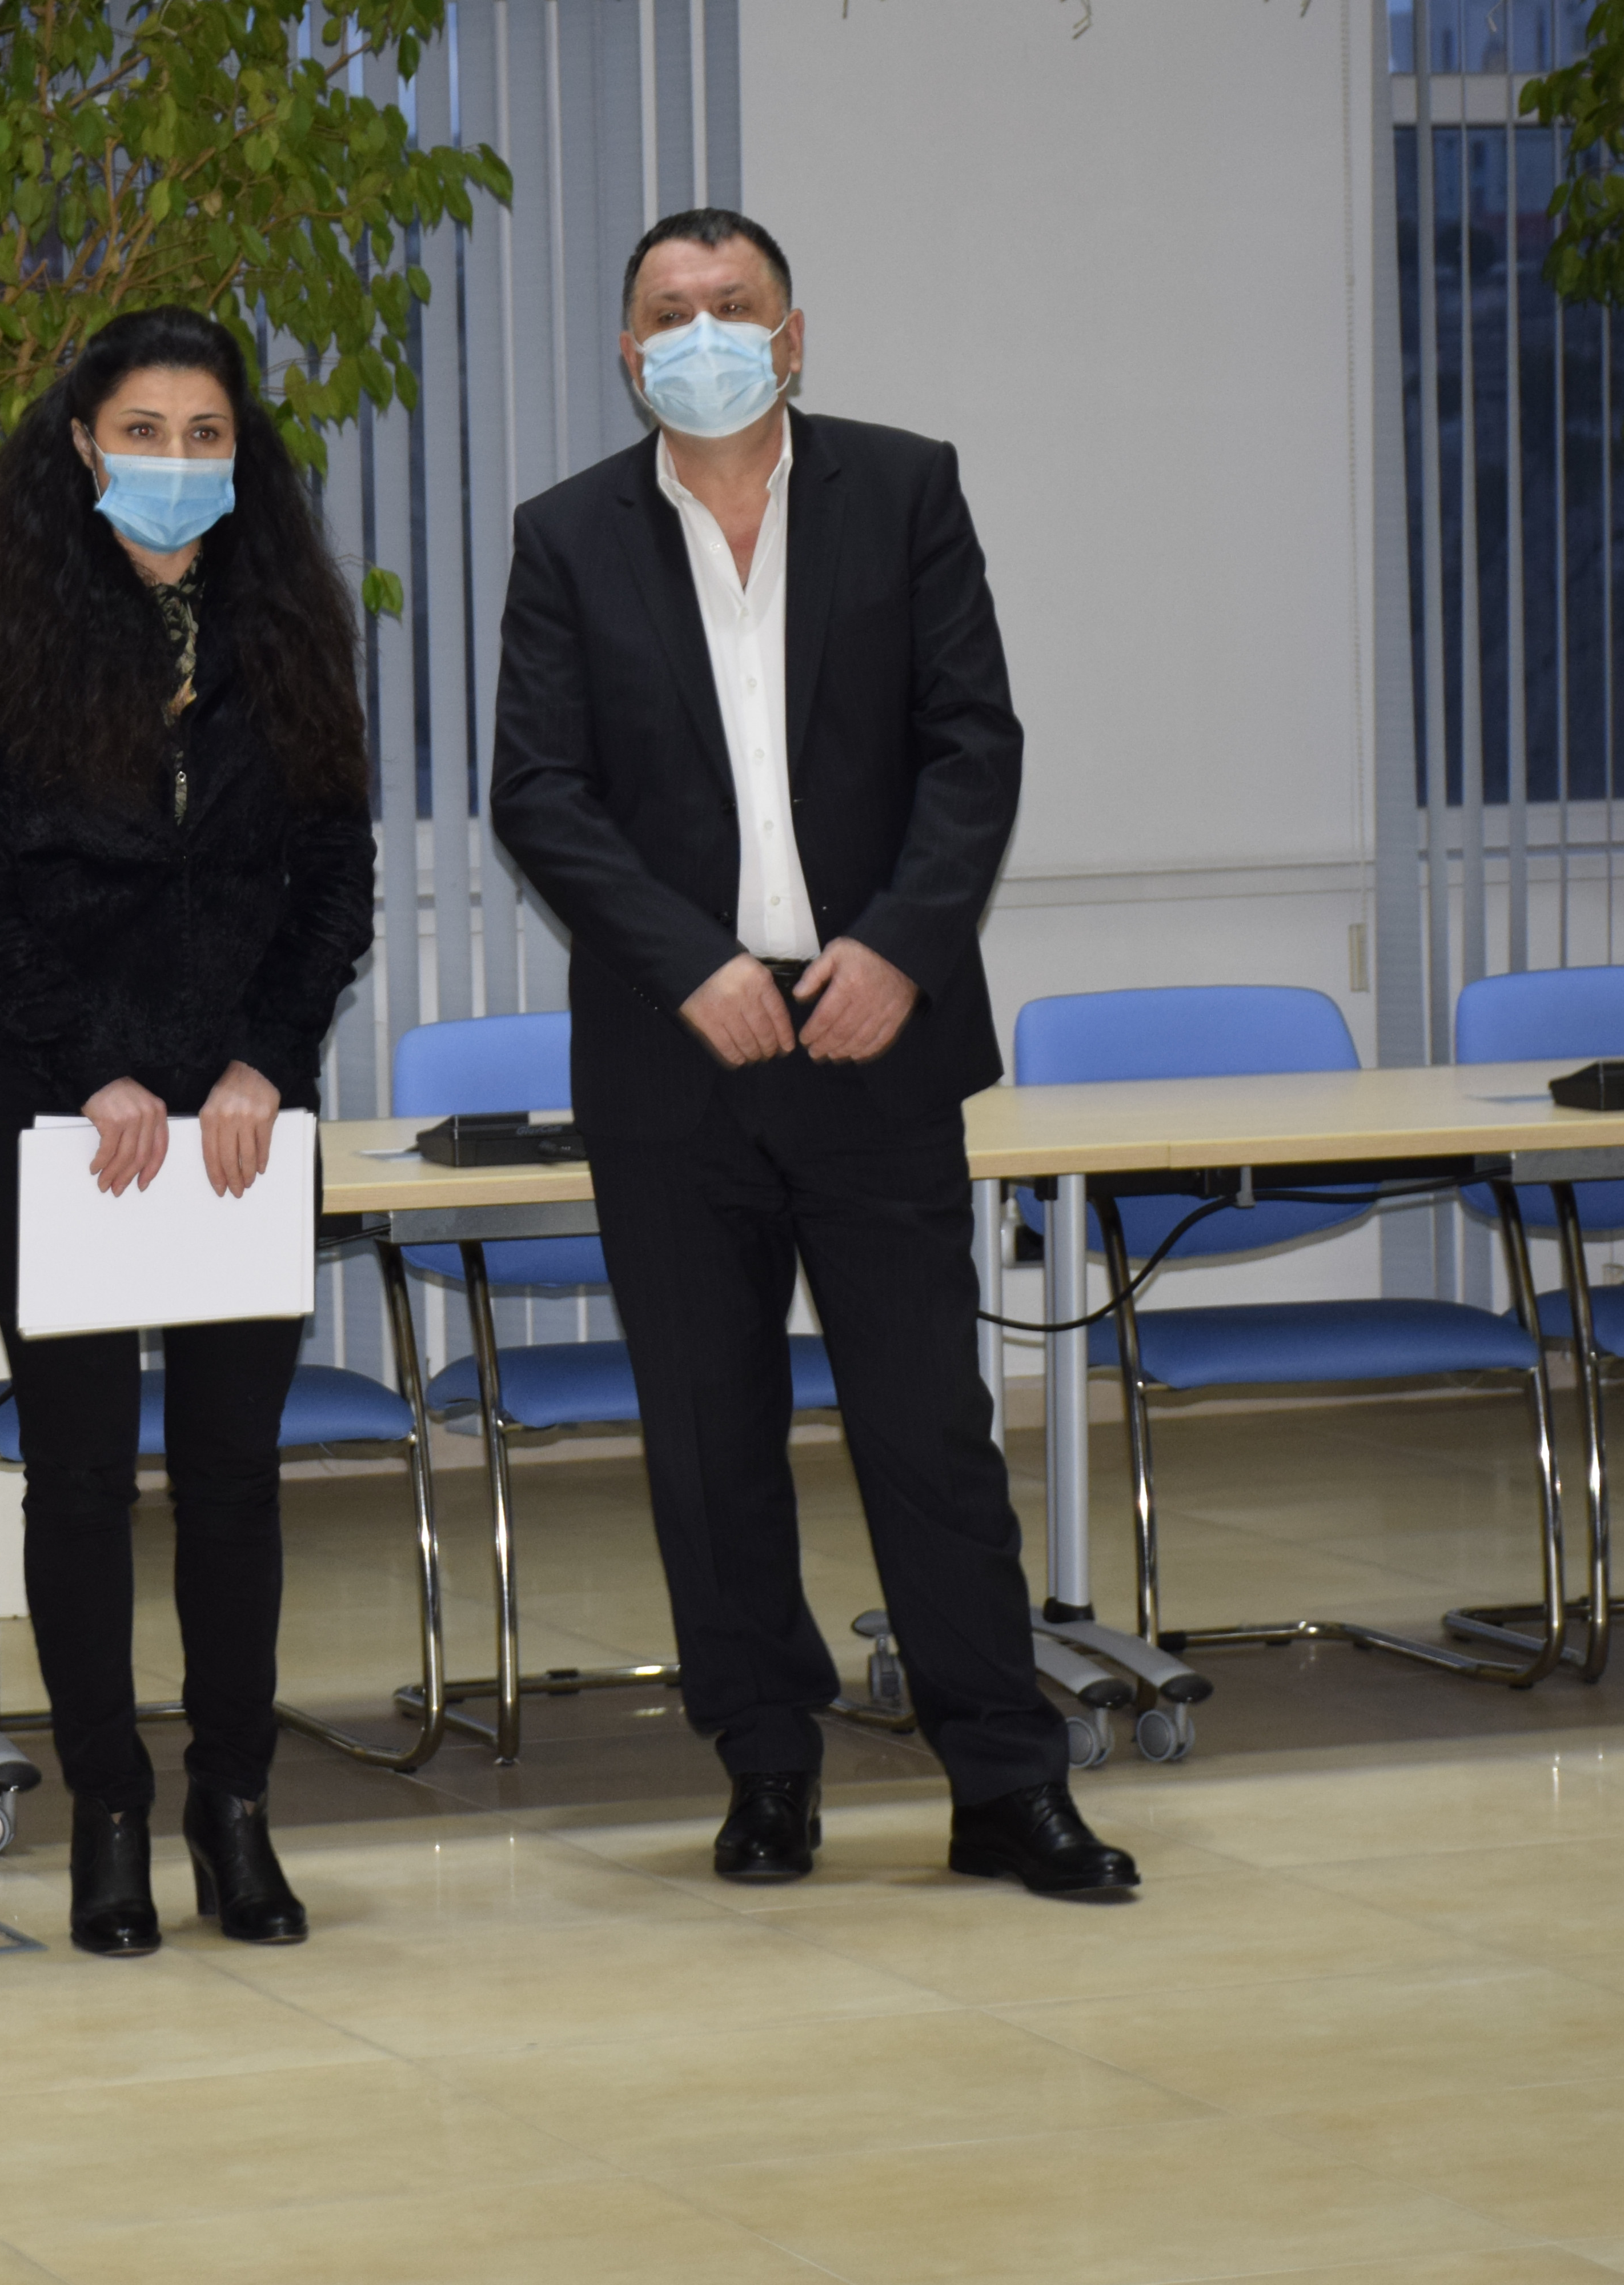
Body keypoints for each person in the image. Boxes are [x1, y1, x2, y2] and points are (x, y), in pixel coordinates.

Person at [488, 210, 1138, 1896]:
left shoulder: (904, 489)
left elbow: (972, 742)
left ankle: (1005, 1781)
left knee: (928, 1433)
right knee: (711, 1447)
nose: (702, 332)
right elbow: (539, 792)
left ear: (793, 335)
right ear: (628, 352)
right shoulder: (565, 536)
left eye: (735, 304)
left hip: (874, 1038)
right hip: (677, 1057)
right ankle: (766, 1766)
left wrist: (904, 951)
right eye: (670, 311)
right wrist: (689, 965)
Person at [0, 304, 376, 1957]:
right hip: (67, 1124)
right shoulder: (1, 641)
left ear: (241, 453)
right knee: (78, 1485)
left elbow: (336, 884)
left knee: (235, 1484)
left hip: (246, 1128)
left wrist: (267, 1062)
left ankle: (233, 1807)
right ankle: (107, 1815)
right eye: (143, 432)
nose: (176, 461)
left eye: (205, 435)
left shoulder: (292, 630)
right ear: (82, 446)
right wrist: (91, 1068)